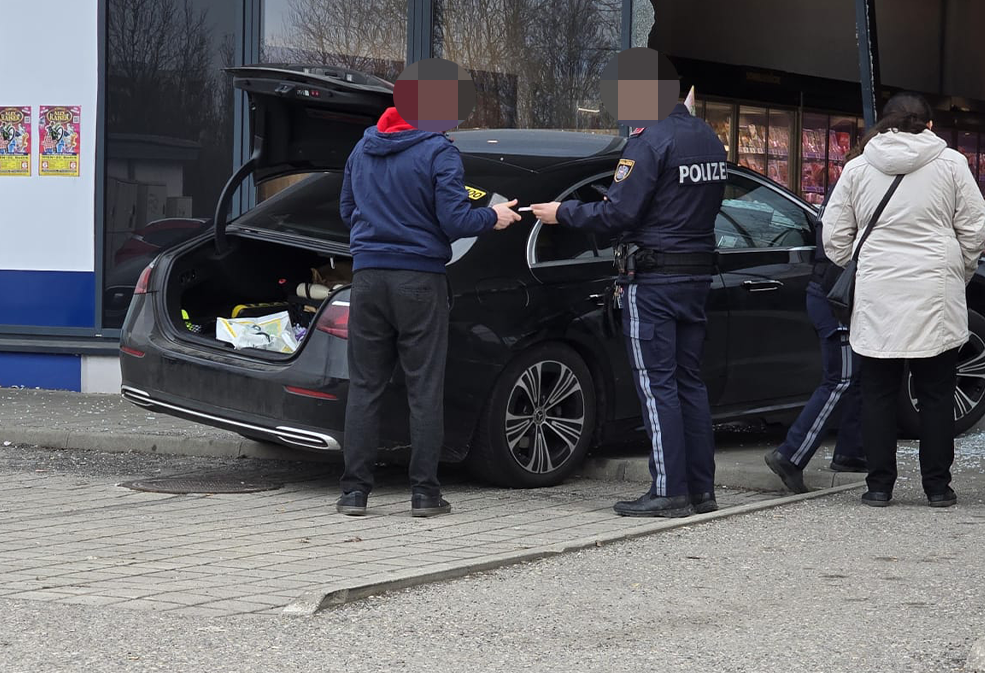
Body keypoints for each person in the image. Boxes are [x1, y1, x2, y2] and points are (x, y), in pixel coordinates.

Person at [532, 66, 727, 518]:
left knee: (657, 387)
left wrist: (564, 213)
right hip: (696, 276)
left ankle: (668, 491)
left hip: (654, 280)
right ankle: (701, 490)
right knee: (689, 382)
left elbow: (619, 213)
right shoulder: (706, 137)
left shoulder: (649, 141)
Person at [336, 100, 522, 518]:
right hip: (419, 280)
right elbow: (455, 221)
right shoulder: (439, 151)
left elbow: (347, 211)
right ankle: (424, 494)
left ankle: (354, 493)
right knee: (423, 389)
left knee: (364, 387)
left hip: (367, 278)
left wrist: (378, 233)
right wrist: (492, 216)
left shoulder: (362, 148)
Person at [821, 92, 985, 508]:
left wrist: (863, 262)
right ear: (929, 125)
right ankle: (937, 487)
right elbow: (974, 229)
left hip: (877, 293)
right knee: (936, 392)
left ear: (884, 123)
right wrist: (958, 271)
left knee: (877, 391)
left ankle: (879, 486)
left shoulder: (858, 168)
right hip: (934, 291)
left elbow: (834, 237)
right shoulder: (951, 164)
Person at [764, 195, 867, 494]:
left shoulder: (845, 187)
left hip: (831, 291)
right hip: (837, 296)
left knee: (856, 376)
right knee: (842, 379)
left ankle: (851, 451)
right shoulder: (856, 187)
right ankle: (791, 455)